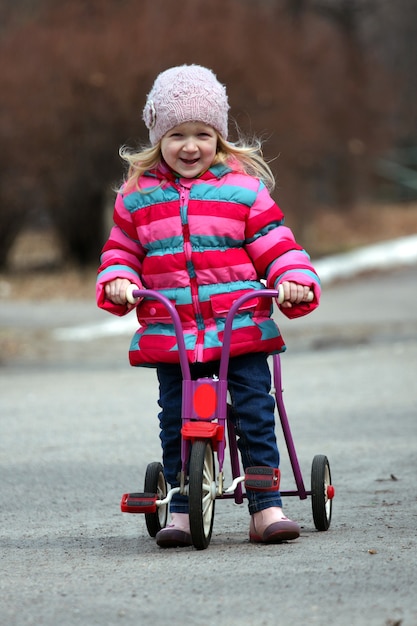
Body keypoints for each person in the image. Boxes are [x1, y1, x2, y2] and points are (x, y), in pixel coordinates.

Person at [96, 64, 321, 548]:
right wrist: (117, 280)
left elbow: (277, 245)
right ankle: (180, 506)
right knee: (174, 416)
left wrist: (293, 279)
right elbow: (121, 252)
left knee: (255, 412)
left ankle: (266, 507)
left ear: (219, 137)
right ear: (158, 139)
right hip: (172, 333)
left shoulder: (243, 192)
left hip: (239, 327)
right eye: (177, 134)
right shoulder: (137, 199)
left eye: (202, 133)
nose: (190, 146)